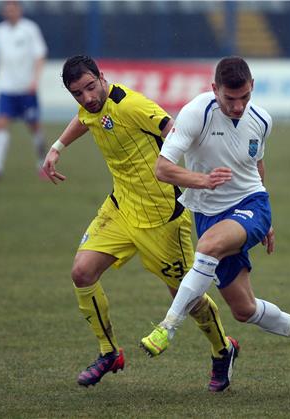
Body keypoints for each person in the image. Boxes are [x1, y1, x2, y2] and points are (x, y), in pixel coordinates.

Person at [42, 55, 236, 392]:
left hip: (163, 218)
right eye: (78, 93)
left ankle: (223, 349)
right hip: (119, 208)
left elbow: (174, 130)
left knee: (186, 297)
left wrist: (198, 175)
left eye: (90, 87)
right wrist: (57, 147)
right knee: (81, 273)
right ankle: (109, 353)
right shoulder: (91, 106)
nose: (87, 97)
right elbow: (86, 118)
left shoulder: (131, 105)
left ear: (102, 77)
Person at [139, 56, 290, 387]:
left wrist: (266, 221)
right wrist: (203, 180)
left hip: (250, 205)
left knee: (207, 247)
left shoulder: (261, 119)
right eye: (230, 99)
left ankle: (166, 327)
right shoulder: (196, 113)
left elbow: (256, 168)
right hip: (209, 215)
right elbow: (162, 169)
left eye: (245, 98)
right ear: (214, 90)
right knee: (244, 310)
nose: (238, 107)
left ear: (252, 88)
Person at [0, 1, 48, 180]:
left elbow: (39, 55)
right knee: (0, 124)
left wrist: (35, 80)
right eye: (7, 9)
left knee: (35, 127)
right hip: (7, 88)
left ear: (19, 10)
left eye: (13, 9)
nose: (10, 12)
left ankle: (44, 165)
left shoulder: (30, 29)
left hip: (26, 88)